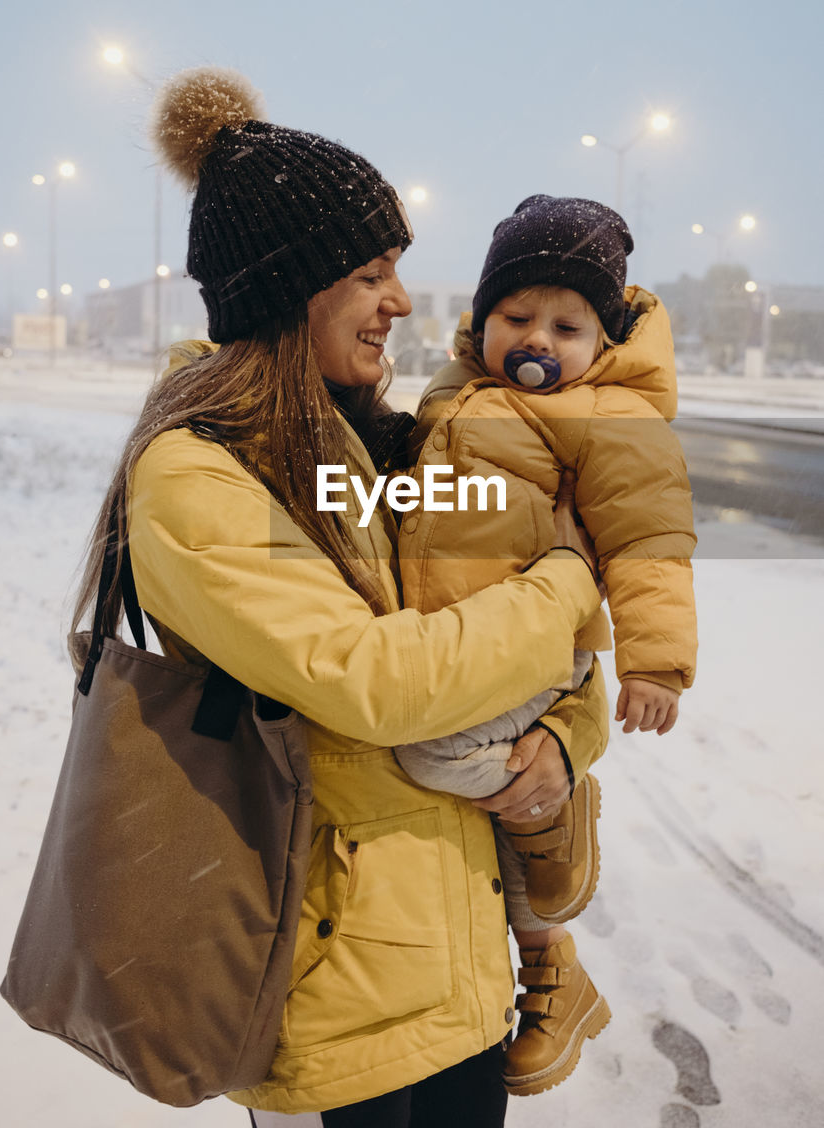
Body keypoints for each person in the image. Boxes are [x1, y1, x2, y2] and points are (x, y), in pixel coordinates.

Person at [70, 70, 607, 1125]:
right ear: (288, 290)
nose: (400, 300)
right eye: (370, 272)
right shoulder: (197, 473)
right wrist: (571, 580)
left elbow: (514, 601)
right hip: (332, 1005)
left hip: (458, 975)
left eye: (397, 268)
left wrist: (563, 733)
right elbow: (375, 680)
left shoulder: (380, 447)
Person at [395, 194, 698, 1096]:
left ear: (601, 341)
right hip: (462, 641)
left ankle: (555, 805)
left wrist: (654, 663)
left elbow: (648, 540)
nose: (538, 340)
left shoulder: (607, 415)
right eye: (516, 316)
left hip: (533, 646)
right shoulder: (452, 396)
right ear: (481, 320)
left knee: (434, 747)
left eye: (567, 325)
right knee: (491, 822)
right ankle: (551, 975)